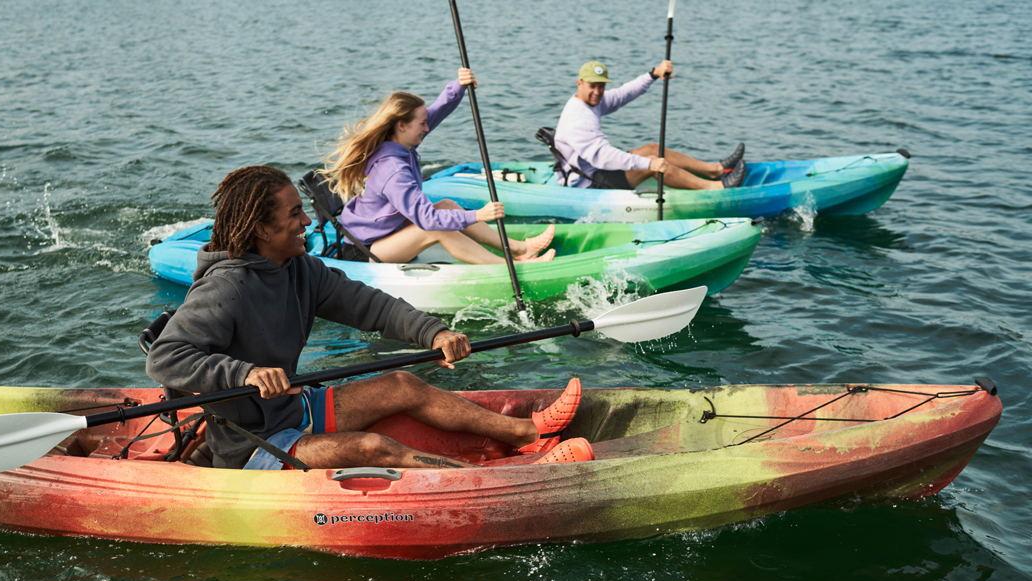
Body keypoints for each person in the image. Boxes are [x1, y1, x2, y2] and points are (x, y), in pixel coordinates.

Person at [145, 165, 592, 471]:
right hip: (251, 443)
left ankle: (526, 431)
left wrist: (432, 331)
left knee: (402, 384)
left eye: (302, 209)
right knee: (373, 448)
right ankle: (513, 476)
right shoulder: (227, 287)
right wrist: (246, 372)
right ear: (262, 229)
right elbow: (166, 358)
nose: (306, 220)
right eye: (294, 214)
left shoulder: (300, 269)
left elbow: (370, 305)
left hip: (292, 408)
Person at [322, 69, 556, 265]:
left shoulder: (400, 140)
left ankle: (518, 248)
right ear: (401, 125)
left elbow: (436, 111)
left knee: (445, 206)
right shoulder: (392, 169)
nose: (427, 128)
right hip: (367, 251)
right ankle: (512, 267)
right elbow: (427, 220)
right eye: (422, 124)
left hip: (386, 233)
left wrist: (458, 86)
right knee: (434, 226)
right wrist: (478, 215)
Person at [553, 59, 746, 191]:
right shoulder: (579, 120)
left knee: (652, 148)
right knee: (655, 165)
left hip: (594, 169)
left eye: (601, 86)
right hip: (588, 183)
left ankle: (716, 170)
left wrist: (653, 74)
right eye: (592, 86)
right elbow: (604, 157)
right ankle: (716, 187)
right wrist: (649, 163)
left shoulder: (588, 101)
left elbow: (622, 94)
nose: (597, 91)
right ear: (579, 83)